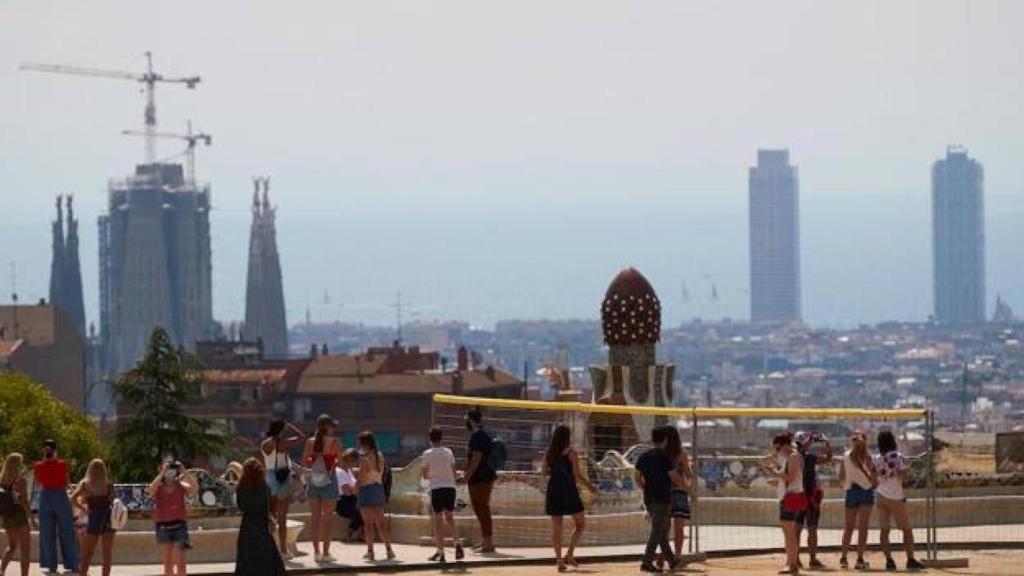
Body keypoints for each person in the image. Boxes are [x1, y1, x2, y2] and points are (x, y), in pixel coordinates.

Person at [543, 424, 596, 572]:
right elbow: (577, 476)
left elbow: (544, 472)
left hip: (553, 490)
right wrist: (590, 487)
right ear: (567, 437)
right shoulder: (572, 453)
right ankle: (570, 553)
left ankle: (560, 560)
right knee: (580, 524)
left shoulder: (549, 453)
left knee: (557, 527)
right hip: (569, 490)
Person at [635, 425, 684, 573]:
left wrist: (645, 488)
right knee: (657, 531)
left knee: (661, 532)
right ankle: (647, 562)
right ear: (665, 440)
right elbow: (674, 477)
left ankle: (672, 561)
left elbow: (637, 478)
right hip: (662, 498)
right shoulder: (664, 458)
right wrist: (686, 488)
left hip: (649, 499)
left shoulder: (643, 457)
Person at [874, 430, 926, 571]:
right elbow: (903, 477)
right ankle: (910, 559)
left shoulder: (877, 458)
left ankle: (889, 560)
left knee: (884, 531)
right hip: (896, 497)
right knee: (907, 530)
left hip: (881, 496)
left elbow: (875, 476)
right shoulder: (898, 457)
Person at [260, 419, 305, 559]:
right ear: (281, 430)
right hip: (282, 477)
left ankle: (269, 548)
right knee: (282, 518)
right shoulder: (283, 442)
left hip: (269, 476)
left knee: (270, 516)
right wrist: (290, 425)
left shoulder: (265, 443)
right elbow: (302, 436)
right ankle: (283, 550)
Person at [234, 458, 286, 576]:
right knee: (267, 561)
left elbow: (241, 506)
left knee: (246, 561)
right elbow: (269, 507)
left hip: (247, 527)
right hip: (262, 527)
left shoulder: (241, 489)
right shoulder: (265, 488)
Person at [764, 432, 806, 575]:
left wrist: (774, 472)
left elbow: (790, 477)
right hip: (790, 496)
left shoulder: (793, 456)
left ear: (785, 445)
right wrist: (775, 468)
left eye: (778, 448)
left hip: (792, 496)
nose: (777, 451)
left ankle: (792, 564)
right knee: (789, 533)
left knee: (789, 533)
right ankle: (791, 563)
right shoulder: (790, 457)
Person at [34, 439, 79, 575]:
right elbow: (66, 482)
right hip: (60, 495)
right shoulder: (62, 464)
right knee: (66, 531)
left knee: (47, 532)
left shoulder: (38, 465)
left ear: (44, 450)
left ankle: (51, 565)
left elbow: (37, 483)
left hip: (45, 496)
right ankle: (72, 564)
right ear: (55, 450)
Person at [302, 414, 342, 564]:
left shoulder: (310, 442)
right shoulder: (335, 442)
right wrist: (334, 461)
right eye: (332, 426)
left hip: (314, 480)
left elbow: (305, 461)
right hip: (329, 481)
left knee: (315, 518)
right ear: (327, 426)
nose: (334, 429)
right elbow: (342, 462)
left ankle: (316, 553)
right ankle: (326, 552)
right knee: (328, 519)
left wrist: (316, 463)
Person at [148, 460, 199, 576]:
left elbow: (195, 489)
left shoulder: (180, 485)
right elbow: (150, 490)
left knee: (181, 562)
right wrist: (162, 473)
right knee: (167, 563)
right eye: (166, 468)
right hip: (163, 527)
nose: (169, 471)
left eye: (171, 468)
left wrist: (184, 472)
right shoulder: (158, 486)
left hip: (179, 526)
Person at [421, 426, 463, 563]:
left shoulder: (427, 454)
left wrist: (434, 473)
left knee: (438, 521)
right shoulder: (448, 452)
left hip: (436, 487)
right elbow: (454, 471)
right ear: (441, 437)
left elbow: (425, 475)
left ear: (430, 438)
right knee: (450, 517)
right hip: (450, 487)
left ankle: (441, 552)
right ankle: (457, 543)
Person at [793, 432, 832, 569]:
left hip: (799, 495)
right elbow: (828, 458)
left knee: (799, 529)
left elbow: (827, 458)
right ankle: (811, 558)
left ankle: (796, 558)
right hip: (807, 495)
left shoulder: (796, 458)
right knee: (810, 529)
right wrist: (826, 443)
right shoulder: (807, 458)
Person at [839, 432, 877, 570]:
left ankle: (843, 557)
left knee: (848, 527)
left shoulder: (846, 456)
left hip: (851, 491)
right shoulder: (868, 457)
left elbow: (841, 476)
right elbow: (873, 475)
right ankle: (860, 559)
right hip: (866, 491)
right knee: (863, 528)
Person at [461, 406, 497, 553]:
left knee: (481, 509)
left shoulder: (477, 435)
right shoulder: (484, 432)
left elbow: (476, 458)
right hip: (485, 475)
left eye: (466, 419)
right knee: (482, 509)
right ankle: (486, 541)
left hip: (480, 478)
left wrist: (466, 476)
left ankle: (488, 543)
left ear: (470, 419)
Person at [72, 459, 116, 576]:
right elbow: (113, 501)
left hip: (94, 517)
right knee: (107, 554)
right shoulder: (108, 484)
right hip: (108, 517)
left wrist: (84, 509)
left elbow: (73, 498)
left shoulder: (86, 485)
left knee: (87, 553)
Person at [356, 431, 395, 562]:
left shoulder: (365, 460)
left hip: (367, 491)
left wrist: (355, 488)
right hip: (378, 489)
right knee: (381, 523)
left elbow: (361, 479)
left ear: (364, 444)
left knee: (368, 524)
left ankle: (370, 551)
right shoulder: (380, 456)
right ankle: (389, 550)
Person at [664, 426, 694, 566]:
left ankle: (665, 555)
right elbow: (688, 474)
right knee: (679, 527)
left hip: (663, 492)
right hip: (679, 492)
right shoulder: (681, 454)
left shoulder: (661, 454)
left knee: (663, 527)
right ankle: (677, 555)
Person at [1, 453, 31, 576]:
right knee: (25, 550)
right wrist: (30, 515)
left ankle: (1, 571)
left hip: (7, 517)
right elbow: (23, 500)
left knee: (12, 546)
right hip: (19, 515)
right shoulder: (20, 480)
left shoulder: (2, 479)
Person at [335, 449, 363, 541]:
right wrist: (356, 487)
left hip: (351, 500)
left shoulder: (348, 471)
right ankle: (350, 532)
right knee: (360, 512)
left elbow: (353, 488)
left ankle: (358, 533)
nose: (357, 464)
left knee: (367, 508)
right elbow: (347, 491)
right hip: (342, 502)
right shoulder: (339, 472)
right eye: (356, 461)